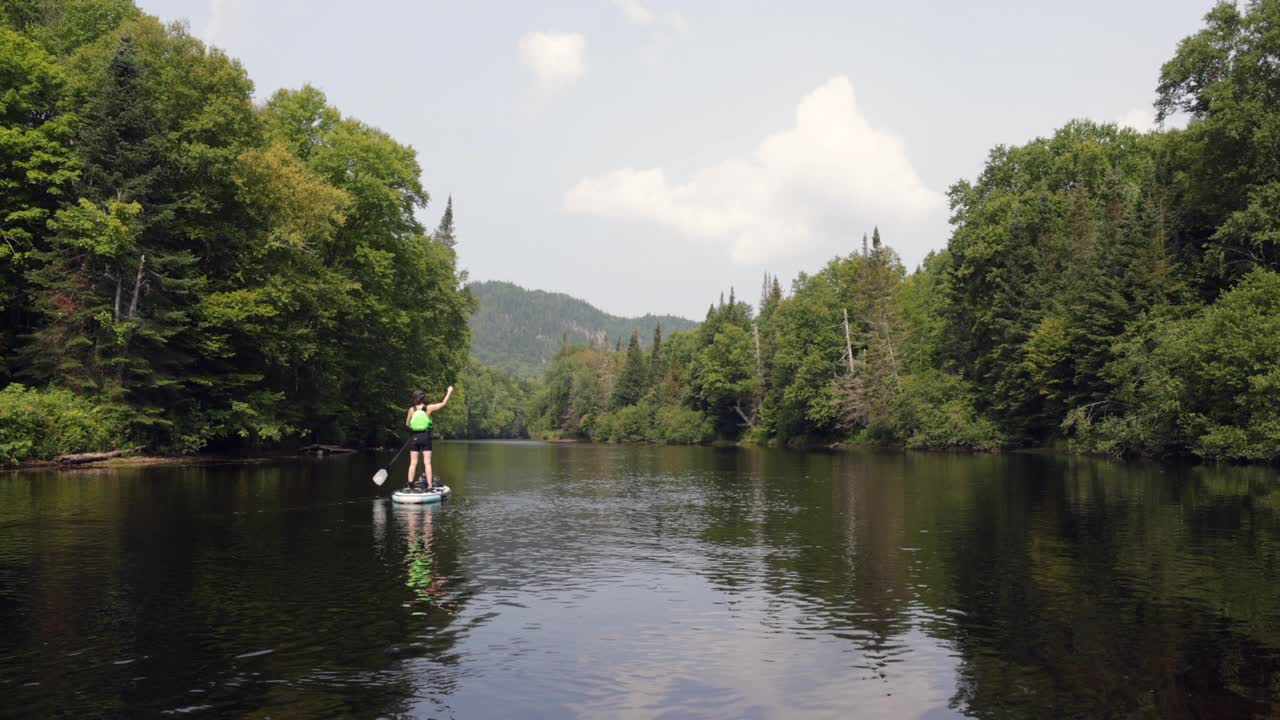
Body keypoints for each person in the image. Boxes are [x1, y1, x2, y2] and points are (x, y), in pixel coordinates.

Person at [404, 386, 452, 489]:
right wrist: (449, 391)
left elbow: (407, 424)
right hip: (425, 437)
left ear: (414, 399)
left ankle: (409, 485)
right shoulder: (429, 408)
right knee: (427, 463)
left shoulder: (411, 410)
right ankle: (430, 486)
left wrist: (413, 430)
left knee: (413, 463)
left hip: (415, 437)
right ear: (423, 398)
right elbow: (443, 403)